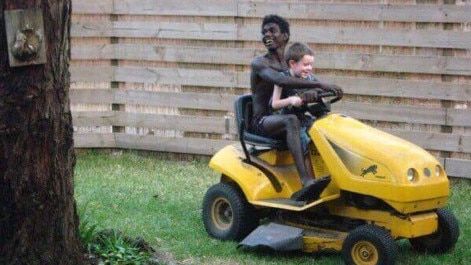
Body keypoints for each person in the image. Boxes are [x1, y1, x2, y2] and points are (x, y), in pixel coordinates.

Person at [249, 14, 342, 200]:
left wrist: (325, 91)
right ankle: (306, 181)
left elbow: (309, 82)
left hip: (286, 115)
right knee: (291, 121)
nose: (267, 34)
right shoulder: (260, 63)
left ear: (285, 35)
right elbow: (280, 80)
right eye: (264, 32)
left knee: (322, 122)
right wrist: (319, 86)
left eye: (272, 31)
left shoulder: (294, 62)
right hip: (263, 121)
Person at [271, 42, 320, 161]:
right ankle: (307, 172)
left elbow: (319, 92)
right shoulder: (282, 79)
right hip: (285, 119)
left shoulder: (310, 79)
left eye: (311, 64)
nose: (310, 68)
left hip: (302, 117)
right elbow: (274, 104)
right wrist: (291, 100)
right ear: (292, 63)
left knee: (321, 130)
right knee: (303, 138)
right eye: (306, 64)